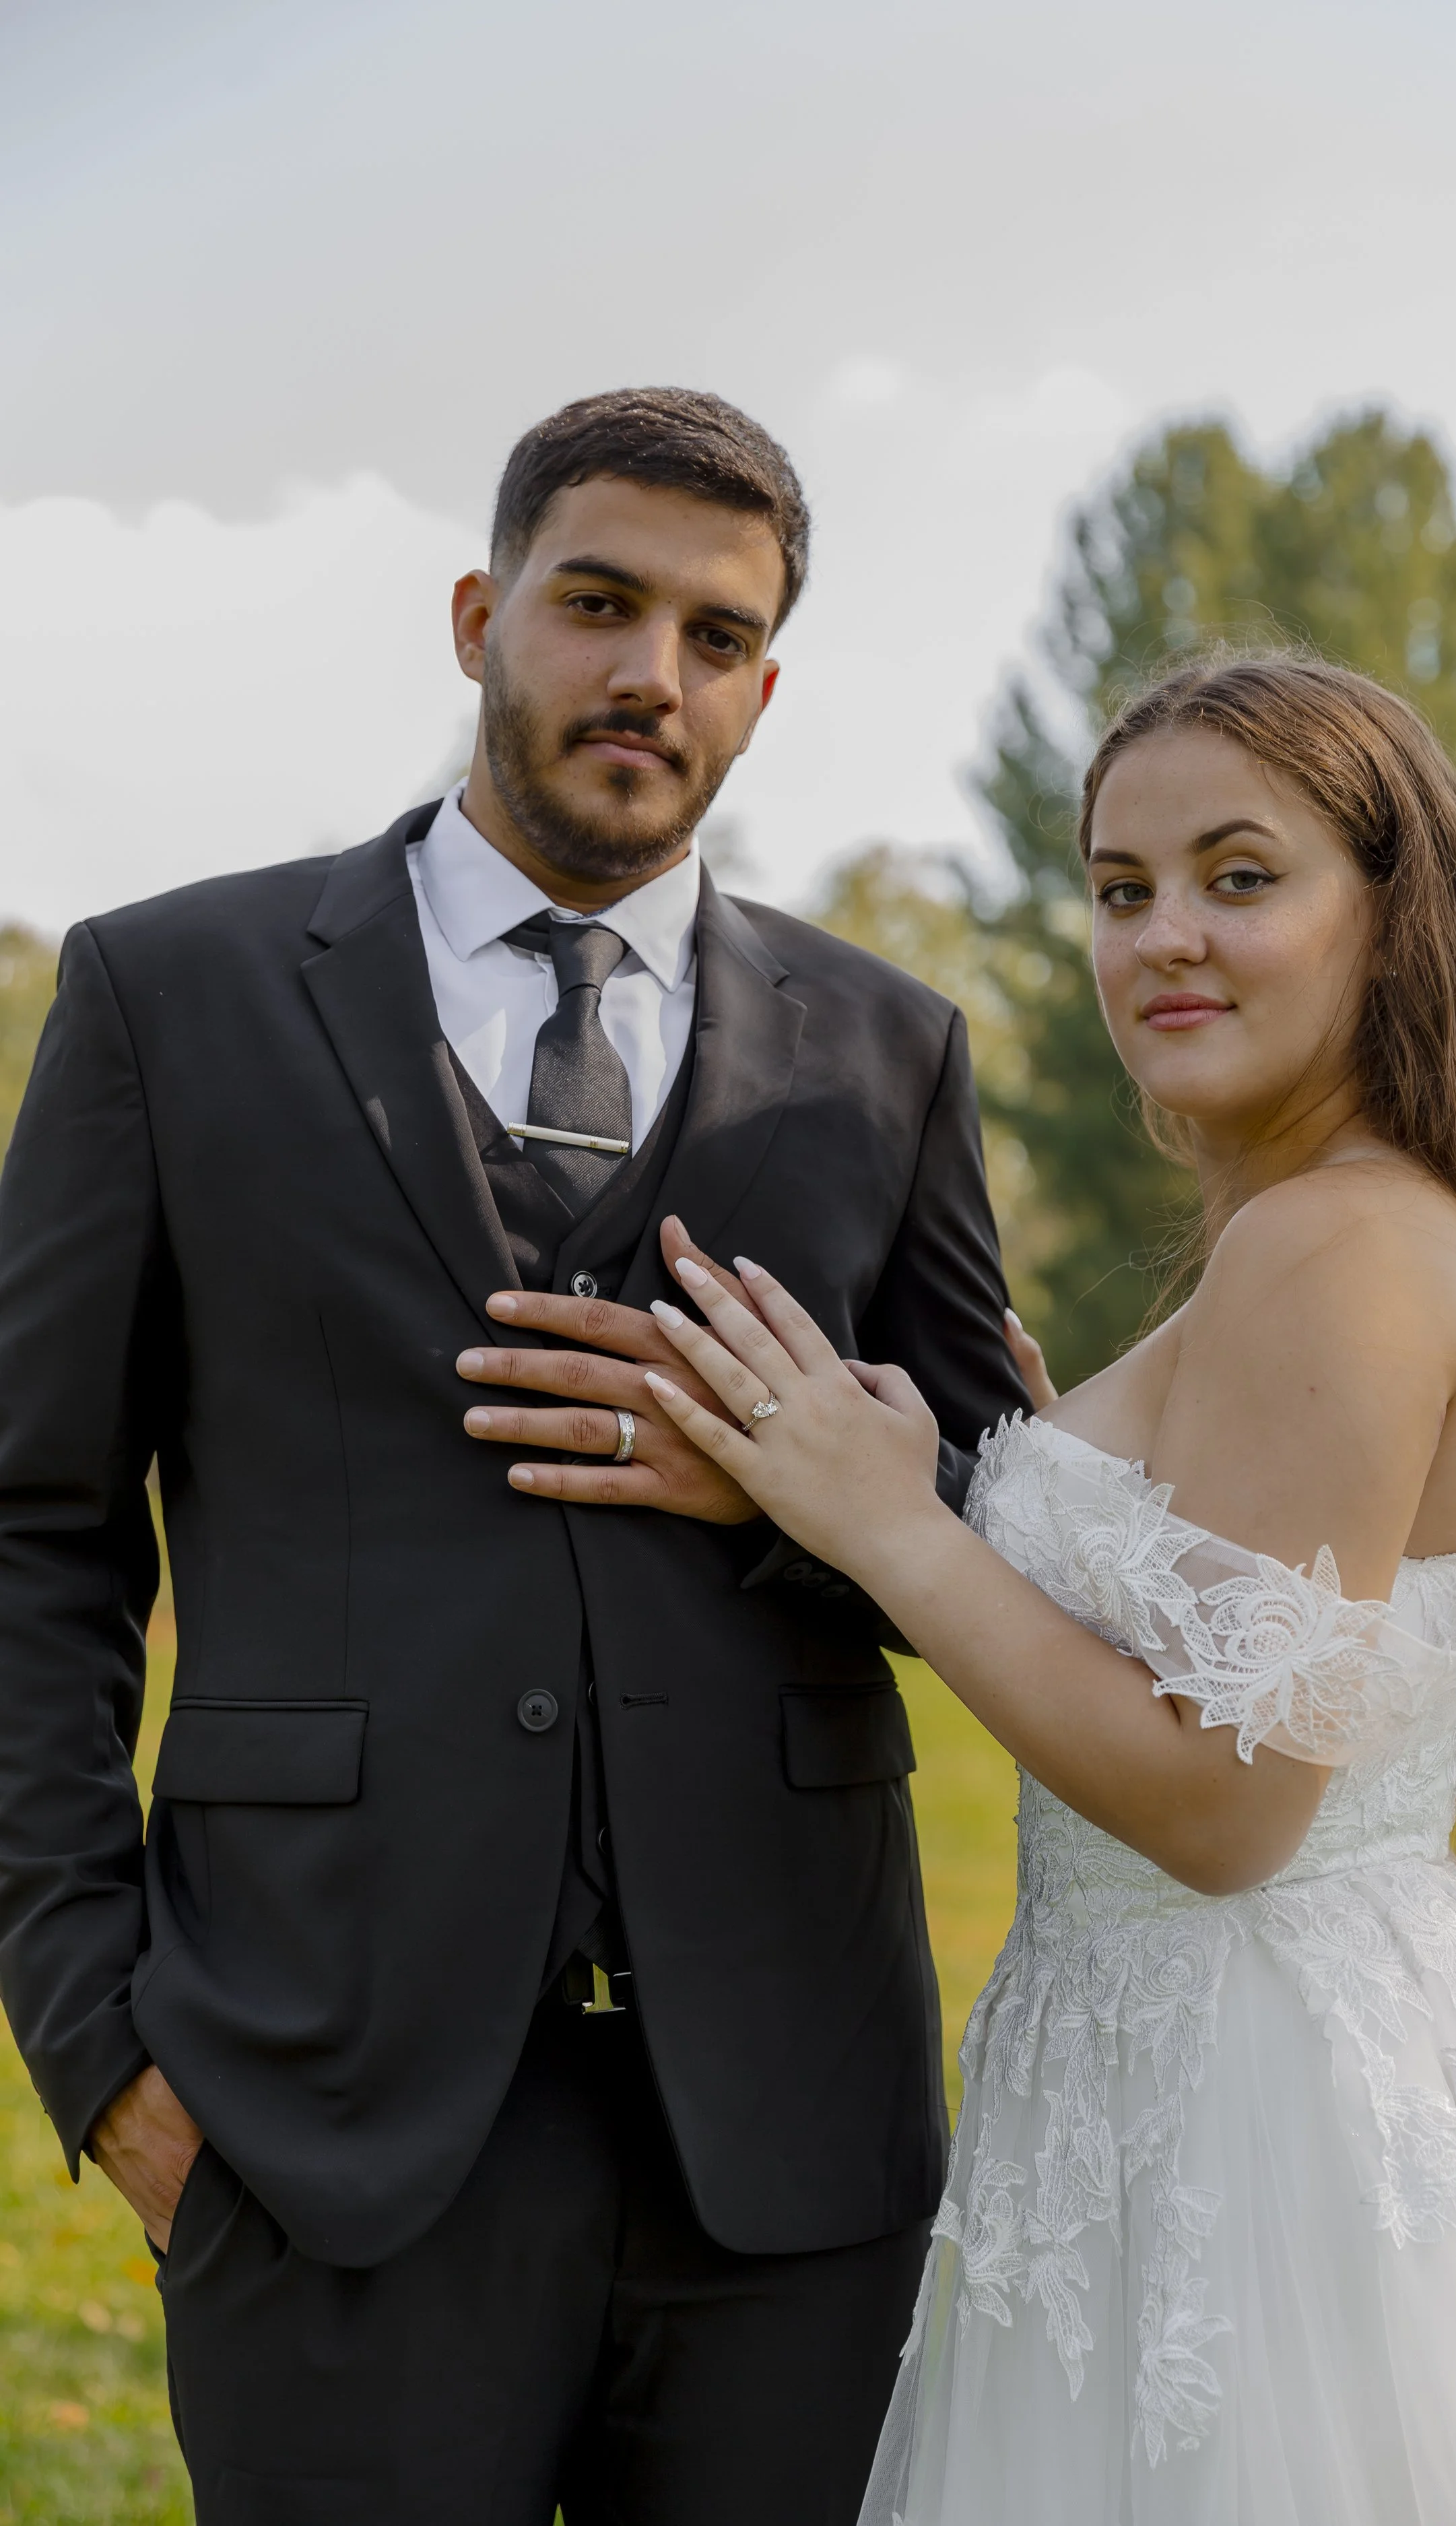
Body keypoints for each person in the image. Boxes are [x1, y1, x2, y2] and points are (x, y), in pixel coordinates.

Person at [0, 386, 1030, 2525]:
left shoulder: (885, 1050)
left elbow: (992, 1534)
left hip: (790, 2146)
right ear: (481, 613)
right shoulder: (163, 994)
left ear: (763, 685)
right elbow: (35, 1539)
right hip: (318, 2120)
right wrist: (98, 2041)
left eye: (719, 634)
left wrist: (795, 1498)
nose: (653, 671)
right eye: (598, 602)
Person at [637, 653, 1456, 2525]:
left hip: (1258, 2124)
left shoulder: (1333, 1241)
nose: (1160, 939)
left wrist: (896, 1524)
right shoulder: (1352, 1222)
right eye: (1119, 889)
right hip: (1233, 2066)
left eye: (1236, 875)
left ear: (1392, 910)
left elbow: (1225, 1804)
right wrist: (1019, 1476)